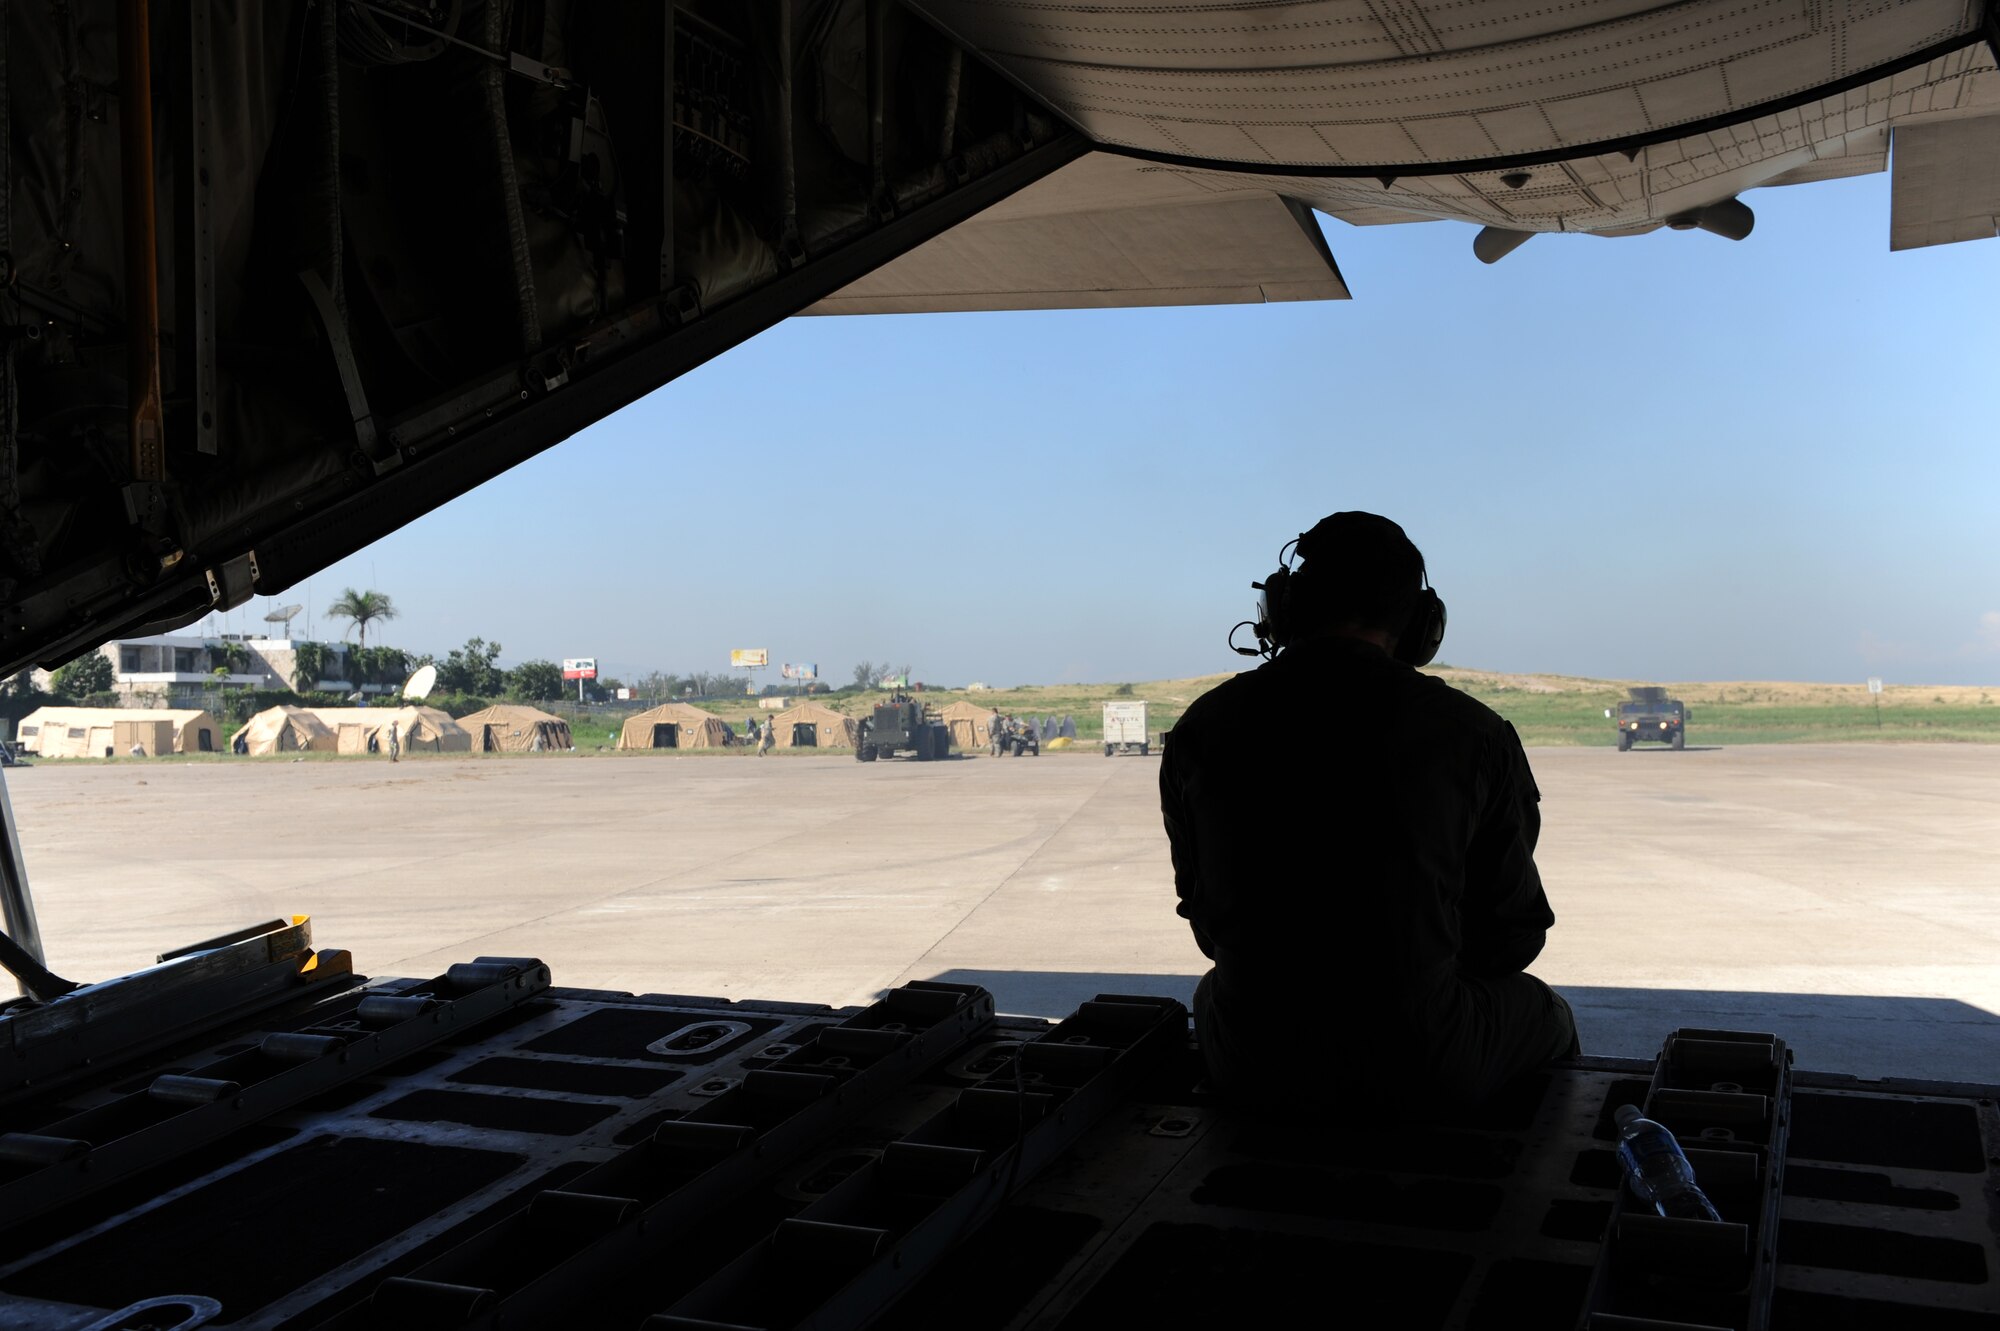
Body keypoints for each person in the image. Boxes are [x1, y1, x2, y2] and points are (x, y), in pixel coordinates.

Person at [1160, 510, 1575, 1118]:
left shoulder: (1202, 726)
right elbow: (1512, 939)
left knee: (1215, 990)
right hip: (1426, 1064)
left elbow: (1208, 932)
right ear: (1421, 626)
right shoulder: (1474, 732)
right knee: (1546, 1012)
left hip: (1253, 1059)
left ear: (1284, 608)